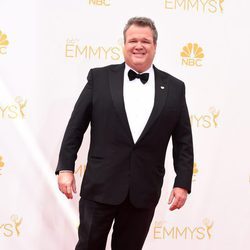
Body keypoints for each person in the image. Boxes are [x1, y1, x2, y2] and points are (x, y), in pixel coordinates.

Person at [56, 17, 194, 250]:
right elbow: (75, 126)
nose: (138, 45)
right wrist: (66, 167)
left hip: (144, 189)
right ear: (124, 45)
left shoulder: (175, 87)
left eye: (145, 41)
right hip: (101, 185)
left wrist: (182, 183)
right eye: (133, 40)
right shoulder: (99, 78)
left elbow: (183, 141)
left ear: (155, 46)